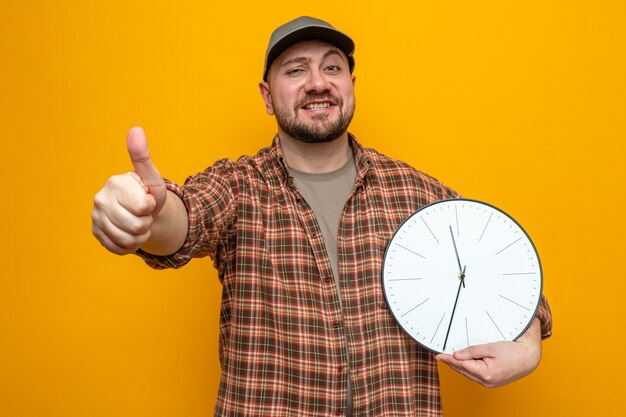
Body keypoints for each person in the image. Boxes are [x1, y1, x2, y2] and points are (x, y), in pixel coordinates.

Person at [92, 16, 552, 417]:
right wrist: (146, 217)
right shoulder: (240, 186)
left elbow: (508, 275)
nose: (318, 82)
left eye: (332, 67)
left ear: (351, 85)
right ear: (267, 96)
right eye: (296, 70)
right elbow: (186, 219)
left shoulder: (417, 193)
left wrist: (527, 350)